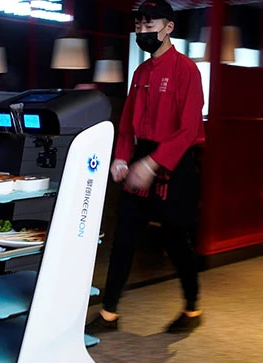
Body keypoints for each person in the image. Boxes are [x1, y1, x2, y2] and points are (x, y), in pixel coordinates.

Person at [86, 0, 205, 335]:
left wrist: (152, 164)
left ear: (169, 27)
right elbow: (126, 125)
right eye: (138, 25)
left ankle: (193, 308)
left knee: (174, 238)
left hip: (174, 161)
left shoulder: (186, 70)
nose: (142, 30)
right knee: (123, 234)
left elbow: (189, 128)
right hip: (141, 154)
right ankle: (109, 312)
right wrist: (122, 157)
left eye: (149, 25)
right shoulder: (141, 72)